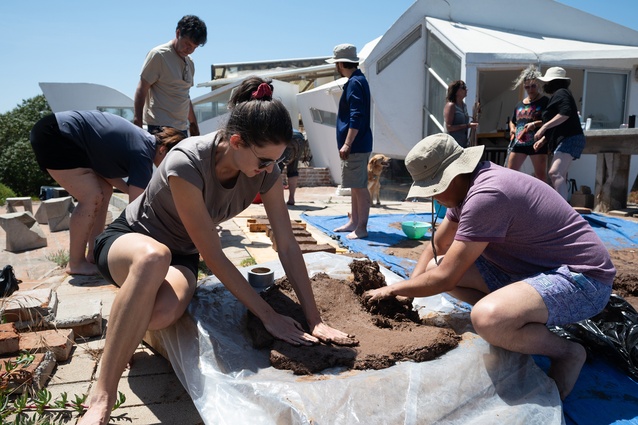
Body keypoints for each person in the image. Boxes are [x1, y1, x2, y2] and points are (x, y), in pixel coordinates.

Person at [78, 77, 357, 425]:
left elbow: (286, 243)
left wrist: (315, 320)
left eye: (277, 161)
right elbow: (213, 255)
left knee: (162, 315)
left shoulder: (265, 172)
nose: (270, 169)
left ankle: (130, 314)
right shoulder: (187, 162)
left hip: (179, 254)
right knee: (153, 258)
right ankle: (102, 394)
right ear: (237, 141)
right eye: (265, 160)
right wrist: (268, 315)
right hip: (130, 240)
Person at [364, 133, 614, 401]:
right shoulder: (466, 190)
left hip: (582, 279)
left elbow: (446, 279)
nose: (434, 195)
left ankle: (566, 352)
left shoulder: (487, 195)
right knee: (433, 268)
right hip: (530, 269)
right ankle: (513, 318)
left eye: (435, 187)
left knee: (487, 318)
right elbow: (436, 247)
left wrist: (391, 291)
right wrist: (408, 294)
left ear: (454, 175)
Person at [30, 110, 184, 276]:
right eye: (171, 160)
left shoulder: (141, 144)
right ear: (162, 149)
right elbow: (137, 210)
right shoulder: (143, 153)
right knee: (91, 197)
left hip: (57, 131)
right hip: (56, 133)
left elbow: (112, 179)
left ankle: (94, 253)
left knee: (103, 191)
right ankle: (76, 263)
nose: (169, 166)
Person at [134, 15, 207, 137]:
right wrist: (137, 124)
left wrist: (194, 124)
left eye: (194, 47)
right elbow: (141, 89)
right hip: (160, 128)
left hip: (182, 129)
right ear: (178, 33)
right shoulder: (159, 55)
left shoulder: (190, 62)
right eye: (187, 44)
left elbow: (184, 95)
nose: (189, 50)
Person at [327, 43, 373, 239]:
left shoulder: (355, 83)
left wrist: (347, 143)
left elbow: (356, 115)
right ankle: (354, 222)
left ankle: (361, 227)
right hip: (359, 143)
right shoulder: (358, 80)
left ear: (340, 64)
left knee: (359, 186)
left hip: (356, 145)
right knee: (355, 185)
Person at [533, 67, 585, 199]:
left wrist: (543, 127)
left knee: (555, 172)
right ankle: (562, 206)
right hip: (568, 137)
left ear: (553, 82)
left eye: (547, 82)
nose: (545, 85)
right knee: (560, 174)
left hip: (570, 137)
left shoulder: (561, 93)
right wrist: (543, 139)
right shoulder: (561, 94)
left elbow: (565, 114)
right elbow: (559, 124)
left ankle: (563, 209)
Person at [507, 66, 549, 181]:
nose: (530, 89)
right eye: (527, 87)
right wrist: (512, 129)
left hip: (537, 142)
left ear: (538, 85)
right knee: (510, 172)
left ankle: (542, 198)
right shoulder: (519, 104)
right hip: (519, 142)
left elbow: (549, 121)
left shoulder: (545, 101)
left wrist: (535, 124)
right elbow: (512, 120)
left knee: (540, 175)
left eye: (533, 86)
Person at [444, 80, 478, 148]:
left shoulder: (464, 106)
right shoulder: (451, 106)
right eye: (463, 87)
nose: (466, 89)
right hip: (452, 145)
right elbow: (449, 127)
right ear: (456, 91)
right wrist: (467, 126)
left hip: (463, 144)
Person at [279, 129, 305, 206]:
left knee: (276, 171)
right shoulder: (286, 126)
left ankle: (278, 200)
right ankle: (291, 199)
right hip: (299, 140)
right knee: (293, 170)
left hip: (285, 139)